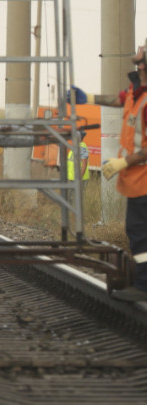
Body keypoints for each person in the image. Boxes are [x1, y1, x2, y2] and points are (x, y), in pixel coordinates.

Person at [68, 45, 147, 302]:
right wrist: (87, 98)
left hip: (143, 180)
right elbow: (117, 99)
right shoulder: (136, 92)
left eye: (143, 49)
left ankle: (144, 286)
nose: (138, 49)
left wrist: (123, 163)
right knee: (137, 231)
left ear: (144, 63)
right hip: (136, 182)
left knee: (140, 233)